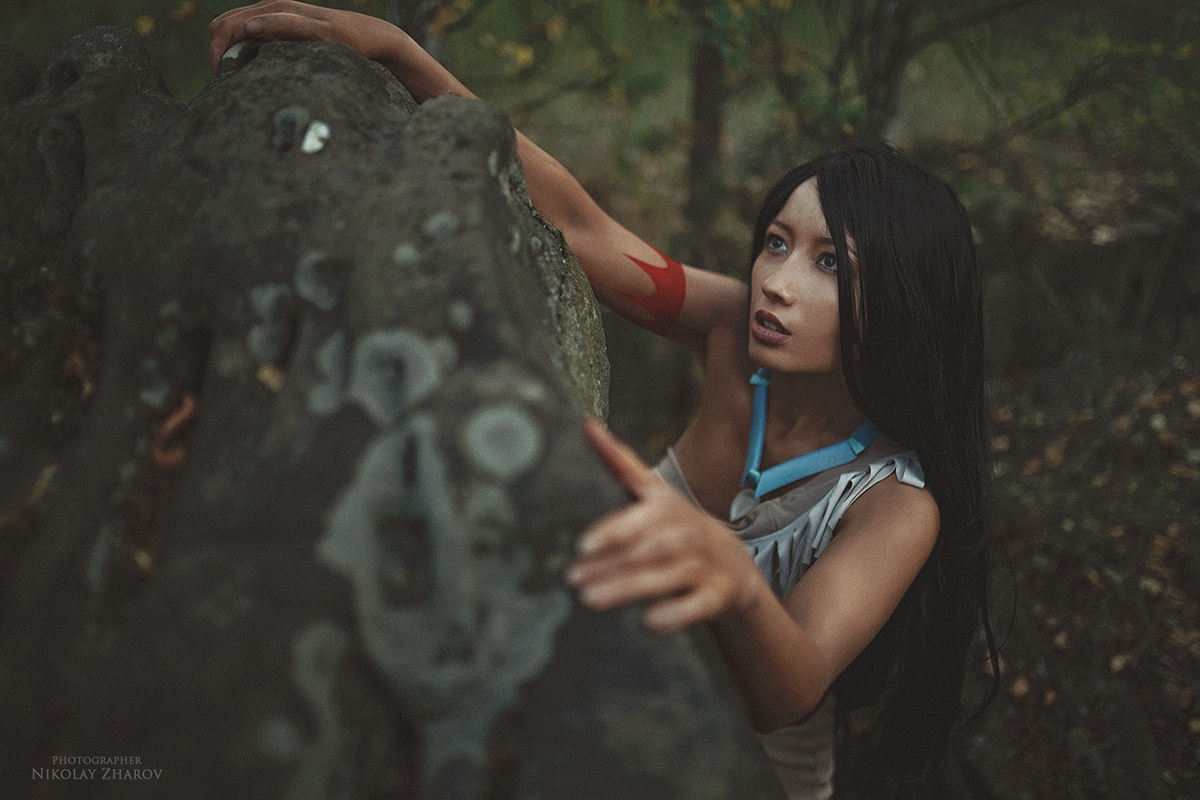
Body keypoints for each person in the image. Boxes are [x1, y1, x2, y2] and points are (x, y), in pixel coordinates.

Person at [210, 4, 999, 798]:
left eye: (830, 264)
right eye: (777, 242)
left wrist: (731, 577)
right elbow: (577, 222)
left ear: (901, 305)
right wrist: (400, 52)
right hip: (582, 711)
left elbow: (789, 692)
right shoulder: (730, 330)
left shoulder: (896, 505)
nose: (778, 283)